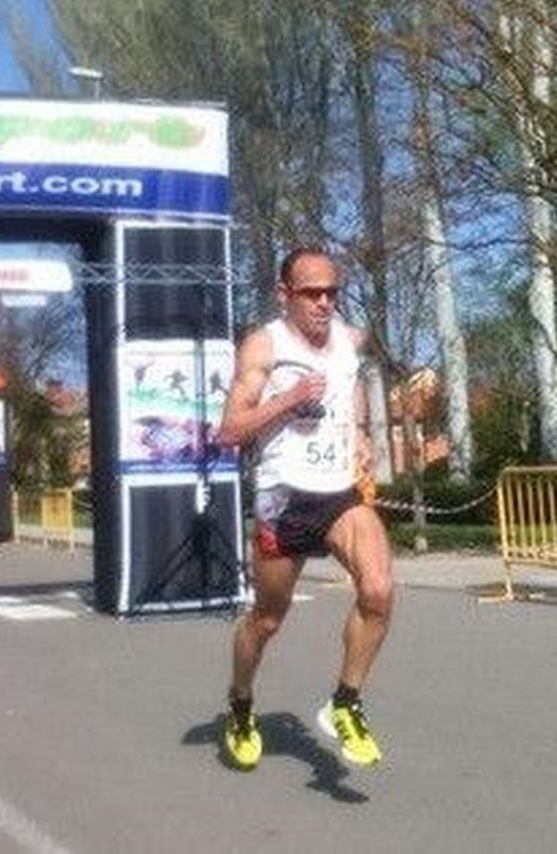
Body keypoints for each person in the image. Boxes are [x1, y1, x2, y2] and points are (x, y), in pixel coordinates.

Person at [215, 247, 391, 770]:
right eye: (311, 293)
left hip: (337, 492)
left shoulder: (349, 339)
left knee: (378, 590)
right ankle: (241, 703)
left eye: (331, 293)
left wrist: (359, 433)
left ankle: (345, 703)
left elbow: (351, 380)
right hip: (284, 496)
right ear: (284, 294)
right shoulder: (263, 345)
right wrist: (287, 399)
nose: (323, 303)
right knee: (267, 620)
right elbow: (229, 432)